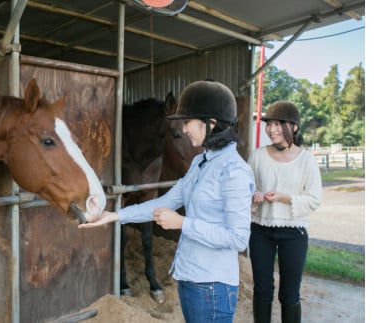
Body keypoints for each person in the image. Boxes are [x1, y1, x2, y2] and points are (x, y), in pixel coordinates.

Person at [79, 80, 255, 323]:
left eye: (188, 122)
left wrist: (183, 223)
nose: (183, 129)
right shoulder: (200, 163)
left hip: (213, 287)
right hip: (189, 279)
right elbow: (163, 203)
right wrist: (115, 216)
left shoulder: (234, 171)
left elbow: (237, 238)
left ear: (211, 124)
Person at [247, 101, 322, 323]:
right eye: (269, 124)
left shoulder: (307, 160)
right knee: (262, 291)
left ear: (294, 127)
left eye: (279, 124)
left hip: (294, 233)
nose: (272, 129)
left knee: (289, 294)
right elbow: (245, 190)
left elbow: (314, 199)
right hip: (260, 230)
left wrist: (282, 198)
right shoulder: (257, 156)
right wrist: (255, 196)